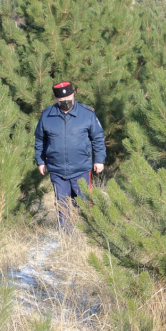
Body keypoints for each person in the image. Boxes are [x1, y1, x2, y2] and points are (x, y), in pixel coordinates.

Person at [34, 81, 106, 230]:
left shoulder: (87, 114)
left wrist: (99, 160)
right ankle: (68, 238)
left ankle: (88, 233)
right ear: (56, 100)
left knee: (84, 203)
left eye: (69, 99)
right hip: (57, 170)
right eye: (62, 101)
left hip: (81, 168)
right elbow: (40, 139)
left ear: (73, 95)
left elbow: (98, 137)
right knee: (63, 205)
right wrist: (41, 161)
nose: (66, 103)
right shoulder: (47, 116)